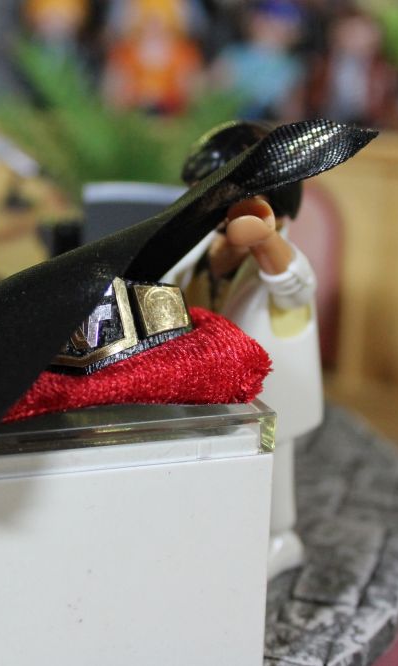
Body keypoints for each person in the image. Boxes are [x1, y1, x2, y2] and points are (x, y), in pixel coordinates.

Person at [165, 120, 323, 579]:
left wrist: (265, 238)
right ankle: (221, 527)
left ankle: (279, 538)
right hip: (207, 382)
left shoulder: (278, 261)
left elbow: (295, 284)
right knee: (214, 462)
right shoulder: (201, 252)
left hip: (269, 393)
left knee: (270, 465)